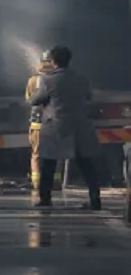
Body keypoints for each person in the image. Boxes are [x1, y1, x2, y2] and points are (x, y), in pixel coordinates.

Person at [30, 45, 103, 210]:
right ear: (69, 60)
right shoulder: (81, 79)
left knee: (48, 164)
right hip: (80, 126)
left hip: (56, 127)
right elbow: (88, 97)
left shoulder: (47, 80)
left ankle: (45, 198)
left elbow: (35, 100)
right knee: (86, 164)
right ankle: (95, 199)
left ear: (53, 61)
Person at [26, 50, 51, 198]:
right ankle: (55, 181)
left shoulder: (33, 81)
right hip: (52, 124)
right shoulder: (57, 81)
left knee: (36, 154)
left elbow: (29, 99)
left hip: (36, 124)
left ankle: (37, 184)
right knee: (54, 154)